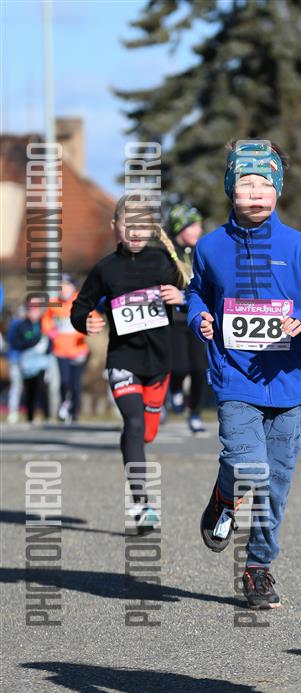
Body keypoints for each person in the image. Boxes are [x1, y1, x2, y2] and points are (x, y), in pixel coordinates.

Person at [188, 140, 301, 608]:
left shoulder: (299, 247)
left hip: (288, 385)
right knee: (248, 465)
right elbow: (197, 292)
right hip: (235, 378)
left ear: (278, 189)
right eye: (246, 183)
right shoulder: (210, 247)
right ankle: (225, 497)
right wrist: (197, 316)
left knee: (275, 485)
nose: (256, 192)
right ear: (230, 188)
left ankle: (258, 568)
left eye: (265, 183)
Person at [70, 193, 188, 534]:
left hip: (160, 361)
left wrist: (180, 297)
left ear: (151, 229)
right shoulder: (105, 269)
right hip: (123, 359)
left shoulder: (163, 262)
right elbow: (80, 306)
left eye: (142, 226)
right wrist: (85, 321)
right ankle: (141, 503)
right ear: (115, 227)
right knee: (134, 425)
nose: (135, 232)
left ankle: (140, 437)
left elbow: (197, 294)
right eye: (128, 225)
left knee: (147, 431)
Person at [166, 203, 209, 433]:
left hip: (197, 318)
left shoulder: (202, 251)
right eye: (192, 226)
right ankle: (174, 389)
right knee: (179, 367)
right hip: (174, 320)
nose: (198, 230)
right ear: (179, 228)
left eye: (199, 226)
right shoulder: (166, 253)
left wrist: (184, 297)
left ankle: (195, 413)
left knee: (200, 369)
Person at [42, 275, 89, 423]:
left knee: (75, 384)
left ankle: (74, 412)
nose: (63, 289)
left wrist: (89, 327)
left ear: (73, 287)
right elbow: (46, 320)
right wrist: (50, 331)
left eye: (66, 285)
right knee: (64, 381)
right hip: (60, 350)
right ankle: (64, 405)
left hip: (78, 349)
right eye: (61, 286)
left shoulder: (80, 301)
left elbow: (93, 316)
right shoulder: (54, 303)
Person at [10, 299, 51, 423]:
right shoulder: (22, 325)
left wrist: (46, 348)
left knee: (42, 387)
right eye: (31, 309)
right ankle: (30, 416)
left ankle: (47, 415)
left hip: (42, 362)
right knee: (29, 389)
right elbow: (17, 343)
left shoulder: (44, 323)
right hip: (27, 363)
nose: (33, 312)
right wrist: (34, 343)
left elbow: (51, 340)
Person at [6, 308, 24, 423]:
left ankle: (15, 412)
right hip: (17, 359)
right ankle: (13, 412)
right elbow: (13, 341)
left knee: (17, 386)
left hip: (28, 361)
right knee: (16, 386)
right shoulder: (15, 324)